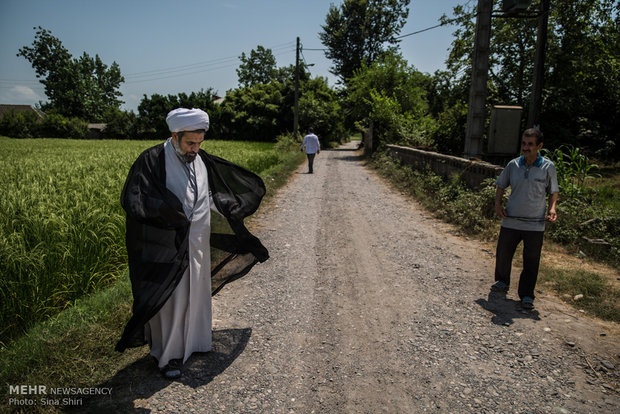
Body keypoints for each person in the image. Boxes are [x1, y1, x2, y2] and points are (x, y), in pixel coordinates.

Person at [115, 108, 268, 379]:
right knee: (173, 298)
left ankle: (196, 343)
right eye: (190, 143)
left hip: (197, 242)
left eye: (199, 143)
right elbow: (135, 198)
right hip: (167, 243)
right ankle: (168, 356)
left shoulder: (199, 159)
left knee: (196, 291)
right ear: (175, 136)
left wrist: (227, 206)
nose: (195, 149)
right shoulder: (152, 159)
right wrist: (166, 212)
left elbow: (204, 194)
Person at [491, 128, 559, 310]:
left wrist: (552, 208)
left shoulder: (548, 167)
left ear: (539, 146)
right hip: (511, 220)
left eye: (530, 144)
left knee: (531, 260)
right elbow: (500, 186)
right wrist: (498, 205)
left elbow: (553, 191)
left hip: (535, 224)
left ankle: (527, 295)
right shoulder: (513, 165)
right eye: (524, 143)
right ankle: (502, 281)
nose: (526, 147)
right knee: (504, 254)